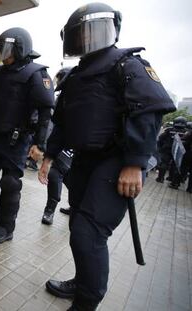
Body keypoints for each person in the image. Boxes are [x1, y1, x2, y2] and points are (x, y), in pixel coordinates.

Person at [38, 3, 176, 310]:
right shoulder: (75, 76)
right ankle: (82, 280)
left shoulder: (128, 66)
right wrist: (49, 156)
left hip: (116, 161)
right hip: (84, 161)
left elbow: (148, 113)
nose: (87, 39)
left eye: (94, 31)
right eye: (81, 34)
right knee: (77, 227)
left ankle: (87, 302)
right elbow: (62, 122)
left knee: (87, 232)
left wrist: (134, 163)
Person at [0, 27, 55, 244]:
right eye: (1, 48)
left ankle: (6, 228)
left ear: (20, 48)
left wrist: (40, 144)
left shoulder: (36, 74)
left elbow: (46, 112)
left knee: (10, 182)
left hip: (17, 139)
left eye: (7, 48)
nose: (3, 52)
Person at [42, 67, 73, 224]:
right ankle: (50, 210)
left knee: (72, 179)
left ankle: (75, 207)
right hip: (63, 144)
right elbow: (57, 126)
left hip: (81, 147)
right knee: (55, 175)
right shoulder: (62, 99)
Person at [156, 116, 188, 187]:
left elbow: (160, 138)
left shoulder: (169, 130)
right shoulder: (186, 132)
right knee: (176, 166)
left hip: (167, 149)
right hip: (179, 151)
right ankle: (172, 179)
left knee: (164, 163)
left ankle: (160, 178)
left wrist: (161, 148)